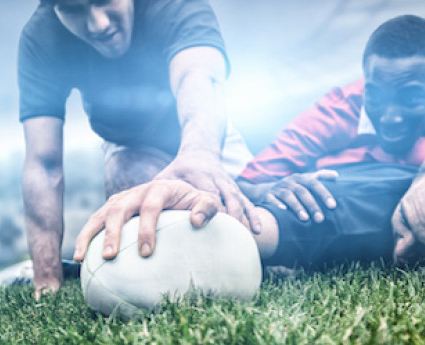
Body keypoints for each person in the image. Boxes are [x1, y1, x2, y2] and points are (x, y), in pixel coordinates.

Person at [14, 0, 260, 298]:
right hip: (128, 146)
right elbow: (44, 164)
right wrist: (47, 278)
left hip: (204, 134)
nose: (98, 24)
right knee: (147, 231)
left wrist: (200, 155)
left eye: (104, 0)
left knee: (266, 246)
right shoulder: (41, 36)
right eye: (73, 10)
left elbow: (197, 76)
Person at [74, 132, 425, 269]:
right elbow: (239, 231)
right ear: (423, 169)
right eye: (404, 224)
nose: (400, 252)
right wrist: (185, 199)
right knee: (129, 166)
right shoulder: (335, 213)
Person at [237, 15, 425, 224]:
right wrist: (269, 188)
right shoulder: (334, 112)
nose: (391, 117)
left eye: (410, 97)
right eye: (376, 95)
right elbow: (245, 184)